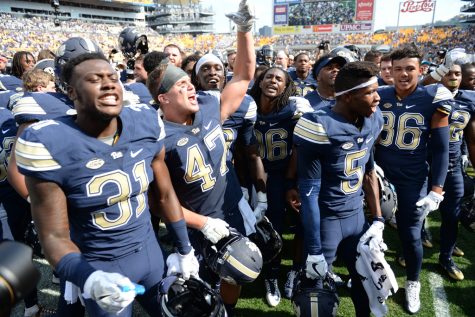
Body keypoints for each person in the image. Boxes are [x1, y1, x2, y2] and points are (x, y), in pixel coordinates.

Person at [15, 52, 199, 316]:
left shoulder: (145, 122)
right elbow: (53, 237)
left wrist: (184, 249)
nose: (109, 83)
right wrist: (87, 277)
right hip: (100, 264)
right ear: (71, 92)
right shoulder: (49, 142)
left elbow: (164, 195)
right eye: (95, 79)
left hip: (150, 254)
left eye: (113, 77)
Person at [147, 1, 255, 315]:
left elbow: (244, 76)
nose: (192, 89)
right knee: (197, 293)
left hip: (232, 207)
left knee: (236, 272)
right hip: (197, 226)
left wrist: (244, 30)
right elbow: (158, 201)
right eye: (182, 85)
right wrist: (203, 223)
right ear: (164, 98)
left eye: (189, 83)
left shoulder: (208, 106)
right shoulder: (156, 136)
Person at [294, 61, 384, 317]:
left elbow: (369, 170)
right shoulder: (318, 125)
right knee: (316, 297)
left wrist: (377, 219)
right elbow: (309, 191)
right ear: (348, 96)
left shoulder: (373, 117)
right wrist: (313, 249)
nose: (378, 98)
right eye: (370, 93)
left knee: (368, 286)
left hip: (357, 217)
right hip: (326, 222)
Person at [374, 45, 452, 314]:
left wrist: (437, 189)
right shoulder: (378, 95)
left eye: (410, 68)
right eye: (398, 69)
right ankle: (371, 276)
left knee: (410, 235)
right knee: (370, 231)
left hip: (412, 178)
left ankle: (413, 282)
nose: (404, 74)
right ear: (390, 71)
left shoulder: (433, 96)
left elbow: (442, 148)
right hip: (378, 176)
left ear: (421, 70)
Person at [248, 66, 313, 305]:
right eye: (268, 77)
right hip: (258, 176)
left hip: (288, 174)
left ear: (286, 87)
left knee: (304, 223)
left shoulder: (293, 109)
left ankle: (296, 270)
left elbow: (300, 148)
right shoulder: (249, 107)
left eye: (279, 78)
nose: (273, 81)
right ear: (260, 81)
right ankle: (272, 275)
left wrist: (290, 182)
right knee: (270, 228)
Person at [434, 62, 475, 280]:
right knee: (417, 211)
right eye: (448, 72)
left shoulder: (469, 99)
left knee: (453, 213)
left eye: (457, 74)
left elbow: (471, 137)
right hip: (427, 163)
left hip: (453, 164)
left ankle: (446, 256)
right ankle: (411, 245)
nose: (453, 76)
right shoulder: (427, 94)